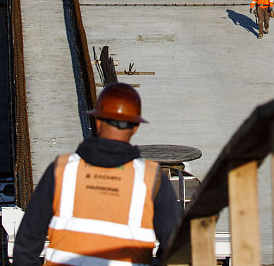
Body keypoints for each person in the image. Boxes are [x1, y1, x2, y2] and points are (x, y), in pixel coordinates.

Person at [13, 83, 179, 265]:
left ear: (98, 121)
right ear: (135, 128)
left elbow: (27, 241)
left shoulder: (62, 170)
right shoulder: (152, 179)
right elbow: (176, 248)